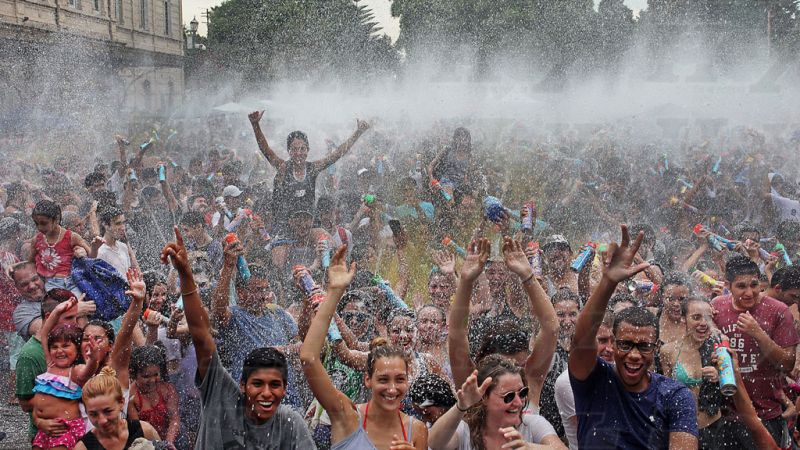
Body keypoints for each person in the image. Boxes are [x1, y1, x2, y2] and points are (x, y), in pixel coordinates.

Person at [160, 226, 315, 448]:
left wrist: (284, 350)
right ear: (243, 384)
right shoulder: (224, 399)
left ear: (283, 386)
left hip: (290, 404)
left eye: (265, 290)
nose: (263, 296)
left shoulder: (290, 422)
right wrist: (202, 270)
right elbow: (210, 321)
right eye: (257, 290)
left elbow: (306, 345)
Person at [569, 225, 699, 449]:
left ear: (656, 348)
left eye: (644, 346)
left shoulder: (675, 396)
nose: (634, 355)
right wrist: (608, 282)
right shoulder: (593, 379)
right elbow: (581, 339)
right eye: (626, 344)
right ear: (613, 343)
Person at [299, 245, 428, 449]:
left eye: (400, 379)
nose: (392, 388)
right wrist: (333, 293)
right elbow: (308, 358)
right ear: (368, 379)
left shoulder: (417, 430)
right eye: (383, 379)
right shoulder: (346, 416)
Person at [711, 255, 799, 447]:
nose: (749, 292)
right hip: (725, 415)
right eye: (741, 286)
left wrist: (758, 333)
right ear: (728, 285)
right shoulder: (717, 305)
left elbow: (787, 364)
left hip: (766, 414)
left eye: (754, 284)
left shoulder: (778, 311)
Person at [248, 110, 370, 232]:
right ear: (289, 151)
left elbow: (337, 154)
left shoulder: (312, 168)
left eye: (302, 149)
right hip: (284, 228)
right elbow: (265, 149)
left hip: (308, 227)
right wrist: (255, 125)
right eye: (294, 149)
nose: (299, 153)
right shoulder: (283, 168)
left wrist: (358, 132)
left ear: (308, 150)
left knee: (326, 239)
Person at [428, 355, 564, 450]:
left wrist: (529, 447)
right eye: (509, 396)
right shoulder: (465, 429)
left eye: (522, 393)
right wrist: (461, 406)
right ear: (484, 398)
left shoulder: (531, 424)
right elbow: (435, 444)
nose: (518, 402)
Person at [31, 296, 103, 450]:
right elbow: (44, 333)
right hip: (44, 428)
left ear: (76, 350)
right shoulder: (50, 364)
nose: (59, 351)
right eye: (55, 347)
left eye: (65, 346)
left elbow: (88, 371)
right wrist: (57, 311)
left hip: (64, 429)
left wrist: (93, 359)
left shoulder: (74, 371)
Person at [660, 298, 726, 448]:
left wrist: (720, 376)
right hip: (681, 427)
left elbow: (732, 389)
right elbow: (665, 393)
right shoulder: (668, 351)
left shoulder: (719, 346)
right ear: (683, 319)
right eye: (696, 317)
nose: (703, 323)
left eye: (707, 318)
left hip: (713, 426)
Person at [554, 314, 615, 450]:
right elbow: (600, 429)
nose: (610, 348)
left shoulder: (622, 372)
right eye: (603, 341)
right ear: (584, 343)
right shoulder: (566, 381)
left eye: (613, 341)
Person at [75, 367, 161, 450]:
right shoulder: (83, 447)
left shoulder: (145, 430)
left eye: (108, 411)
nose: (102, 420)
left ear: (121, 403)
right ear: (86, 412)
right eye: (93, 414)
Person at [26, 200, 100, 294]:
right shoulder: (37, 240)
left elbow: (91, 257)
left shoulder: (71, 237)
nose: (39, 227)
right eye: (36, 223)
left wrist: (95, 247)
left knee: (78, 300)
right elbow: (30, 264)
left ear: (56, 220)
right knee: (56, 301)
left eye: (44, 223)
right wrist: (14, 267)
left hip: (73, 282)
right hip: (51, 283)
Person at [128, 345, 180, 445]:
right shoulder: (132, 397)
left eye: (156, 375)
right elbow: (138, 430)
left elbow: (174, 419)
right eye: (146, 376)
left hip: (170, 439)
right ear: (134, 375)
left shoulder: (167, 390)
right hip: (145, 442)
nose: (152, 380)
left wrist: (168, 443)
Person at [96, 207, 138, 277]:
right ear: (106, 226)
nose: (123, 228)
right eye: (118, 224)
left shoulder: (123, 247)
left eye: (123, 223)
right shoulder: (100, 252)